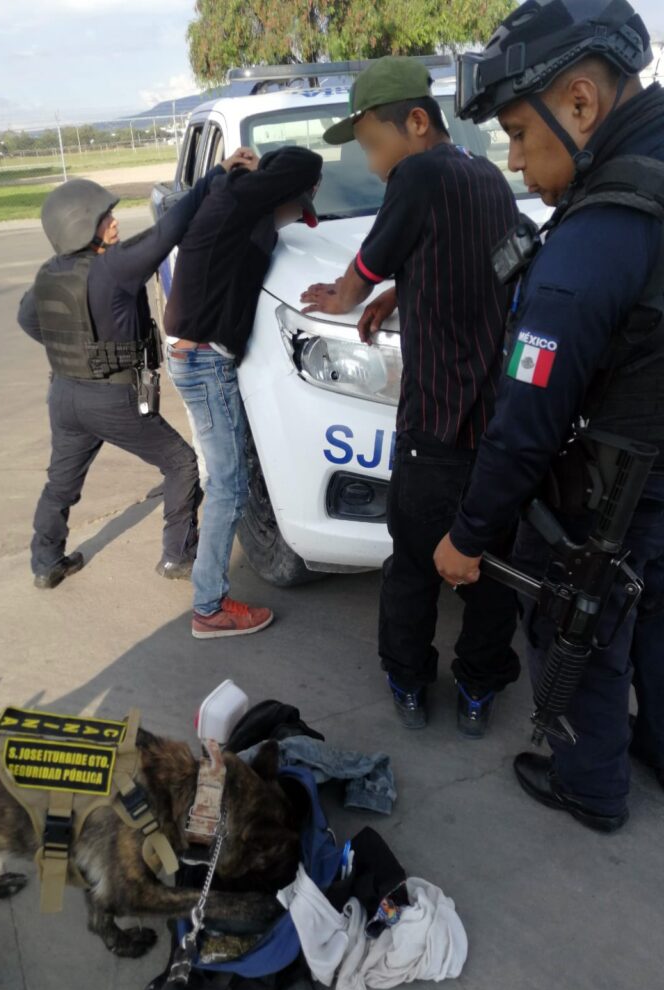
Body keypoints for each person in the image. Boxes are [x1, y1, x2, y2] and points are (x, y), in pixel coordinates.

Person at [435, 0, 664, 830]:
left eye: (518, 135)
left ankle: (590, 787)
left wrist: (469, 535)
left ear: (579, 104)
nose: (516, 161)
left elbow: (527, 420)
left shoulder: (598, 233)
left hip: (613, 490)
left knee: (580, 632)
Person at [300, 56, 521, 737]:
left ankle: (407, 678)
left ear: (417, 123)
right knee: (492, 570)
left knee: (414, 567)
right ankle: (480, 687)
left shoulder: (416, 174)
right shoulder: (487, 178)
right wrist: (410, 284)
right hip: (498, 427)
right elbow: (498, 264)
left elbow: (363, 269)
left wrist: (347, 293)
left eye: (372, 144)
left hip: (435, 423)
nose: (372, 165)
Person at [18, 149, 254, 589]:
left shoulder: (48, 274)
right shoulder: (114, 267)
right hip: (112, 399)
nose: (114, 221)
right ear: (80, 226)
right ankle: (178, 556)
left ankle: (46, 562)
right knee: (182, 464)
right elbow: (170, 229)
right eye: (105, 216)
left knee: (60, 484)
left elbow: (29, 320)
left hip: (65, 397)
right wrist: (216, 175)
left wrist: (77, 353)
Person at [164, 144, 323, 639]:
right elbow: (299, 164)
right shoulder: (237, 205)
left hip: (196, 357)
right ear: (282, 192)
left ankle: (205, 589)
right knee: (229, 489)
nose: (292, 220)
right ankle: (209, 606)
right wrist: (263, 171)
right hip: (205, 362)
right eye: (297, 208)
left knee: (223, 482)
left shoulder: (231, 206)